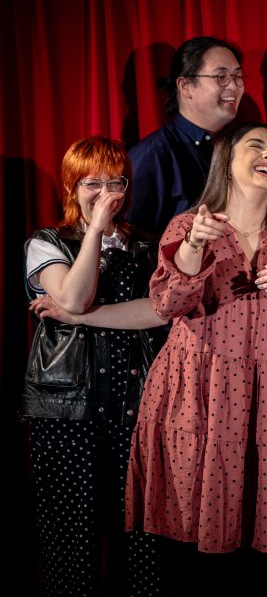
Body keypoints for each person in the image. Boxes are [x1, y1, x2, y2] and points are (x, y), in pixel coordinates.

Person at [125, 122, 267, 591]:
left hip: (266, 402)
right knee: (193, 555)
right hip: (198, 395)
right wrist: (195, 244)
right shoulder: (187, 227)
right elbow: (166, 306)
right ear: (226, 162)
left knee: (258, 558)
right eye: (255, 146)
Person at [22, 136, 164, 596]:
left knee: (140, 534)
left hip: (135, 404)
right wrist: (96, 231)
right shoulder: (46, 242)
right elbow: (75, 295)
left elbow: (158, 310)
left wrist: (75, 314)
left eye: (116, 181)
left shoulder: (146, 243)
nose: (106, 193)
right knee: (71, 537)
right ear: (72, 185)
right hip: (66, 410)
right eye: (93, 183)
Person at [127, 36, 244, 236]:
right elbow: (129, 237)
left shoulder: (241, 148)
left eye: (237, 76)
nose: (233, 86)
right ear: (185, 86)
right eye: (221, 77)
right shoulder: (152, 156)